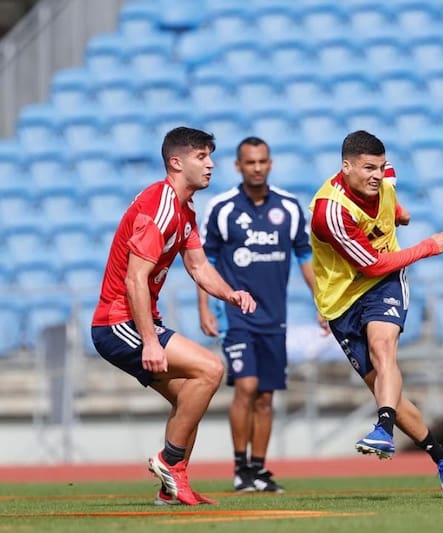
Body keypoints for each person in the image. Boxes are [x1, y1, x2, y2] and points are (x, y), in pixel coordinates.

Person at [90, 127, 257, 506]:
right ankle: (168, 462)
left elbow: (198, 267)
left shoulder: (184, 209)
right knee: (211, 370)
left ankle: (171, 489)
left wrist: (231, 293)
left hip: (135, 320)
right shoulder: (161, 205)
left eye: (210, 156)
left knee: (189, 397)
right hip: (118, 323)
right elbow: (135, 278)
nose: (211, 164)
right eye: (202, 157)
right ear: (176, 162)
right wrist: (150, 340)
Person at [308, 130, 443, 498]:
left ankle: (383, 429)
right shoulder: (330, 213)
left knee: (384, 348)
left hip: (384, 285)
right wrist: (428, 246)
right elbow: (373, 264)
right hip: (343, 299)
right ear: (345, 167)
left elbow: (390, 200)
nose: (377, 175)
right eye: (368, 168)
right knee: (384, 388)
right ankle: (441, 456)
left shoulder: (383, 176)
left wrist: (399, 212)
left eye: (380, 166)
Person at [197, 136, 329, 493]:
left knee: (267, 396)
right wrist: (205, 307)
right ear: (238, 166)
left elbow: (305, 257)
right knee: (247, 386)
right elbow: (204, 261)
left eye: (262, 161)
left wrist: (322, 303)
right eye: (249, 162)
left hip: (275, 317)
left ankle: (258, 469)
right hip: (236, 316)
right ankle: (240, 469)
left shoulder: (288, 207)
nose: (256, 168)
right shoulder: (222, 208)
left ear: (270, 164)